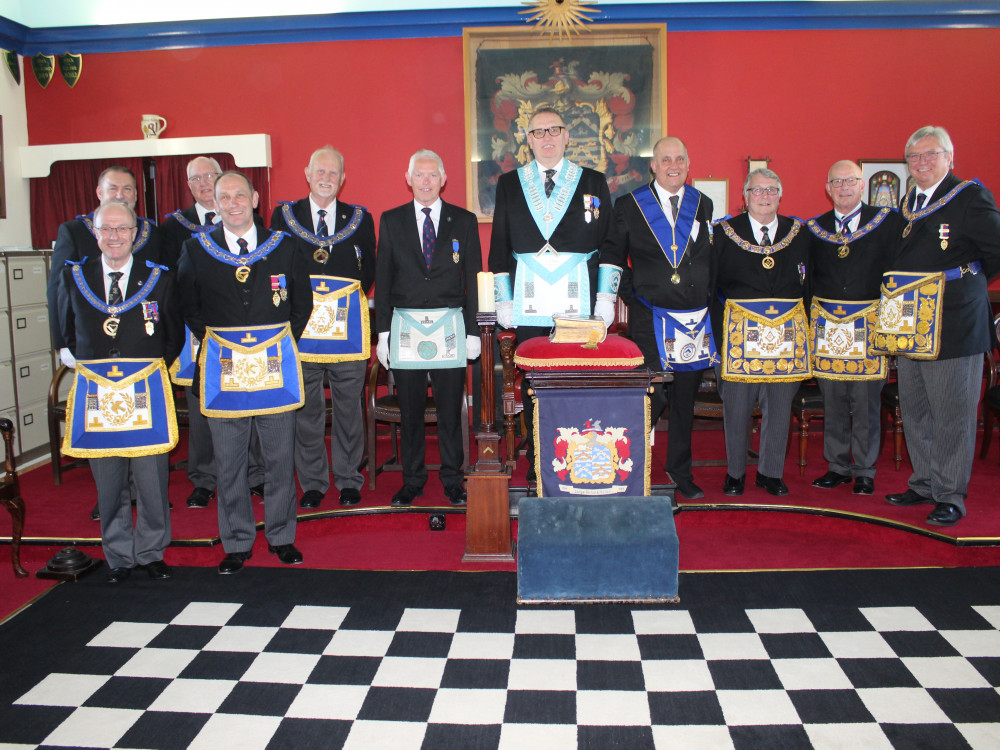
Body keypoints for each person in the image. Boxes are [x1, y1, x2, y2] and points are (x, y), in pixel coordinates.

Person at [177, 171, 312, 573]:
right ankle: (236, 541)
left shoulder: (284, 247)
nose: (233, 203)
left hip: (275, 369)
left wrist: (276, 344)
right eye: (224, 198)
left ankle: (282, 536)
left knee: (278, 457)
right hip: (224, 371)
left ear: (255, 199)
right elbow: (188, 305)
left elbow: (301, 304)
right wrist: (225, 344)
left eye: (240, 195)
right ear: (214, 204)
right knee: (230, 461)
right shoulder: (196, 248)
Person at [488, 107, 620, 478]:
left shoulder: (593, 181)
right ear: (528, 140)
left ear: (566, 136)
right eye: (538, 132)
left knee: (574, 377)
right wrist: (503, 297)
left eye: (554, 130)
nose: (546, 138)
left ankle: (577, 454)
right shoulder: (510, 184)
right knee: (535, 379)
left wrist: (605, 297)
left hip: (579, 301)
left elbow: (610, 242)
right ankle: (539, 460)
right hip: (528, 304)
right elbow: (499, 243)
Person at [57, 202, 182, 583]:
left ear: (135, 234)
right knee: (109, 480)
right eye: (106, 229)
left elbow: (172, 335)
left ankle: (151, 551)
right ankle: (118, 555)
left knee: (150, 477)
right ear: (95, 233)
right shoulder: (75, 277)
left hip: (143, 388)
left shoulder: (158, 277)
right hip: (98, 393)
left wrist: (144, 370)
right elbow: (66, 326)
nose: (114, 236)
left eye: (122, 229)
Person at [881, 126, 1000, 526]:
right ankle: (924, 482)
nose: (922, 162)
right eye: (914, 157)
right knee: (915, 408)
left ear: (950, 157)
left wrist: (965, 283)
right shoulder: (909, 203)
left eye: (931, 154)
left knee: (952, 411)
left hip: (954, 324)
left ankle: (950, 494)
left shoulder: (970, 196)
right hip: (912, 323)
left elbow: (995, 251)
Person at [48, 165, 165, 522]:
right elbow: (58, 293)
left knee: (149, 463)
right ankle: (115, 541)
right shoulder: (73, 239)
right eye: (113, 188)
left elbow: (169, 312)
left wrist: (159, 356)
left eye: (128, 189)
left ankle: (150, 540)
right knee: (107, 462)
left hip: (142, 363)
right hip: (96, 365)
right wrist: (65, 344)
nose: (120, 194)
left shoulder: (151, 234)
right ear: (99, 194)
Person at [608, 136, 717, 499]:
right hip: (650, 318)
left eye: (680, 159)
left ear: (689, 164)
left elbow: (703, 257)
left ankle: (680, 470)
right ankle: (629, 464)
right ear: (653, 165)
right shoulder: (628, 205)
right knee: (650, 395)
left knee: (685, 398)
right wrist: (633, 294)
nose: (674, 165)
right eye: (666, 159)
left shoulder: (703, 204)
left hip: (692, 319)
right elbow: (610, 257)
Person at [374, 149, 481, 506]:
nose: (425, 181)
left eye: (432, 175)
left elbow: (474, 278)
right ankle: (413, 480)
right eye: (418, 175)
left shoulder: (463, 221)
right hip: (405, 329)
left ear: (443, 179)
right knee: (411, 411)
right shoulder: (391, 220)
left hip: (450, 328)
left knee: (451, 410)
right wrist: (383, 334)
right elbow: (384, 278)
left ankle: (453, 479)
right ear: (408, 179)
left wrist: (473, 331)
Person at [270, 147, 376, 509]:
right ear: (307, 173)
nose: (326, 178)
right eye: (320, 171)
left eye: (334, 172)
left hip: (346, 333)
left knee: (349, 409)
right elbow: (275, 267)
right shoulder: (285, 216)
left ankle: (348, 478)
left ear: (343, 178)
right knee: (307, 411)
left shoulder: (360, 218)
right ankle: (313, 481)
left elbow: (369, 271)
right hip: (300, 332)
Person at [712, 168, 812, 496]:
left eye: (771, 190)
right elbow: (712, 290)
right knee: (737, 407)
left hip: (786, 337)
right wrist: (718, 341)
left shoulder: (800, 233)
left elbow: (809, 286)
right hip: (739, 338)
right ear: (745, 196)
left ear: (781, 195)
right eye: (757, 190)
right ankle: (736, 473)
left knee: (780, 406)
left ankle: (770, 473)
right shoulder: (724, 233)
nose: (765, 196)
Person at [806, 160, 898, 496]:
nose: (844, 187)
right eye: (837, 182)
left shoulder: (887, 223)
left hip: (869, 325)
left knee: (865, 402)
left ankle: (865, 470)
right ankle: (837, 466)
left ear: (863, 186)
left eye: (851, 181)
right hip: (827, 326)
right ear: (828, 189)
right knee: (833, 399)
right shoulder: (814, 229)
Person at [160, 156, 225, 510]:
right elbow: (172, 285)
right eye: (196, 178)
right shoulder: (172, 230)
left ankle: (254, 474)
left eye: (210, 175)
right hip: (195, 333)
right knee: (201, 406)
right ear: (188, 185)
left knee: (248, 401)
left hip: (239, 331)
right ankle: (203, 478)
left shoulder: (245, 220)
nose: (204, 182)